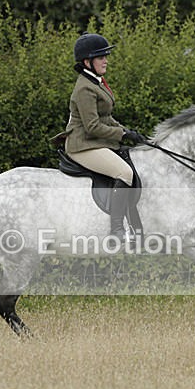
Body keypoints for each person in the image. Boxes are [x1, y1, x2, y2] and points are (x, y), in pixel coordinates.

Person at [60, 33, 146, 239]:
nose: (106, 60)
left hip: (95, 141)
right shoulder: (84, 88)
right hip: (83, 145)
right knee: (124, 173)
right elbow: (92, 127)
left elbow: (106, 117)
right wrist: (122, 134)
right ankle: (116, 229)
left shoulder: (96, 82)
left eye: (106, 56)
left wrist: (129, 132)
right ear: (87, 62)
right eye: (101, 57)